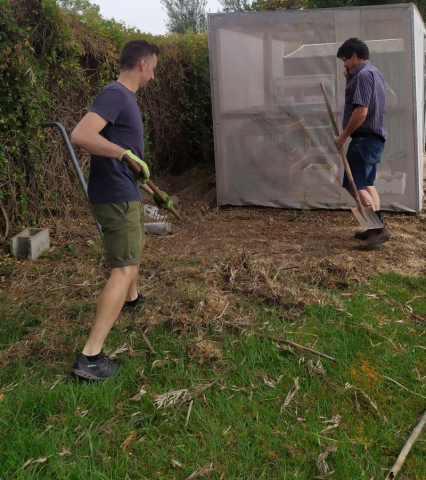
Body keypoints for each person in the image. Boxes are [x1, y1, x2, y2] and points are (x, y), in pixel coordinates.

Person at [70, 39, 172, 380]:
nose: (154, 78)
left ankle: (133, 299)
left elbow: (120, 152)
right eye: (153, 69)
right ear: (142, 64)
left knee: (135, 249)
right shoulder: (116, 93)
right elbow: (81, 135)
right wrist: (124, 155)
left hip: (123, 188)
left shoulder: (124, 98)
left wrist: (141, 179)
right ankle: (90, 357)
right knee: (125, 266)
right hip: (115, 196)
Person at [335, 38, 391, 249]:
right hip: (373, 140)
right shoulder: (373, 73)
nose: (344, 65)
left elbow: (361, 111)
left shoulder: (363, 76)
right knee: (367, 184)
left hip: (364, 140)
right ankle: (374, 228)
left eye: (345, 60)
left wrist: (343, 136)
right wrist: (348, 79)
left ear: (355, 56)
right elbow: (355, 101)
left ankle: (378, 230)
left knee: (353, 184)